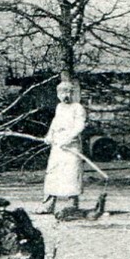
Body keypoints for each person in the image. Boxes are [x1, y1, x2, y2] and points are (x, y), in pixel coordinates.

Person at [41, 78, 87, 215]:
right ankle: (48, 204)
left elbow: (80, 126)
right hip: (57, 145)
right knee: (53, 173)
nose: (65, 96)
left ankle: (72, 205)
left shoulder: (78, 108)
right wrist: (49, 135)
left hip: (71, 147)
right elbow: (55, 123)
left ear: (73, 94)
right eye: (62, 93)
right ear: (57, 94)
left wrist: (68, 138)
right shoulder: (59, 107)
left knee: (71, 174)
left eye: (68, 93)